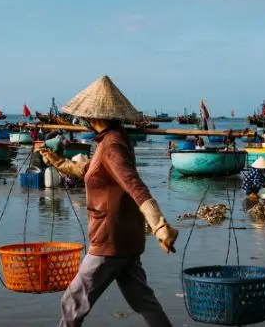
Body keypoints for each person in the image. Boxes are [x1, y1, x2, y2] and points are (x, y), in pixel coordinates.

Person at [38, 75, 178, 327]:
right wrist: (57, 161)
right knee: (143, 301)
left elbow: (134, 185)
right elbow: (88, 171)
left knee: (72, 301)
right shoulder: (113, 140)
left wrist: (160, 225)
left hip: (109, 239)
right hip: (127, 238)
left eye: (85, 118)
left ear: (94, 118)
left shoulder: (112, 146)